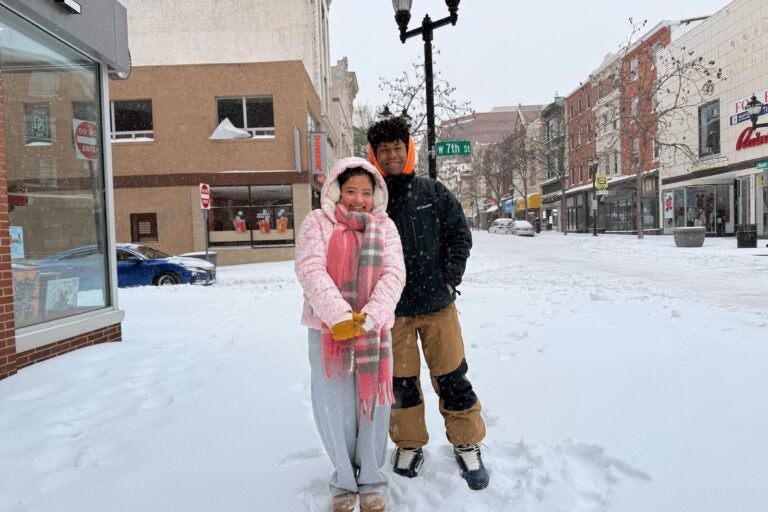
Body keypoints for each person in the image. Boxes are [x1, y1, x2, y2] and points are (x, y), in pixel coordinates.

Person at [366, 117, 490, 490]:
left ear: (408, 150)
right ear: (375, 154)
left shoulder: (432, 191)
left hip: (438, 306)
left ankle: (467, 442)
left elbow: (459, 234)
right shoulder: (370, 200)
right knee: (401, 384)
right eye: (383, 150)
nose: (391, 155)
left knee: (452, 377)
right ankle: (408, 444)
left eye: (397, 148)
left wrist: (449, 276)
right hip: (394, 312)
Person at [295, 157, 406, 512]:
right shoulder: (318, 222)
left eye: (365, 192)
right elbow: (309, 267)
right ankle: (344, 480)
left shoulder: (385, 227)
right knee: (335, 408)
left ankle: (372, 480)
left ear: (376, 195)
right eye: (350, 190)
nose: (358, 198)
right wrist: (339, 316)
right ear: (336, 191)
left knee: (373, 404)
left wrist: (371, 316)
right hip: (329, 331)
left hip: (374, 331)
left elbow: (394, 273)